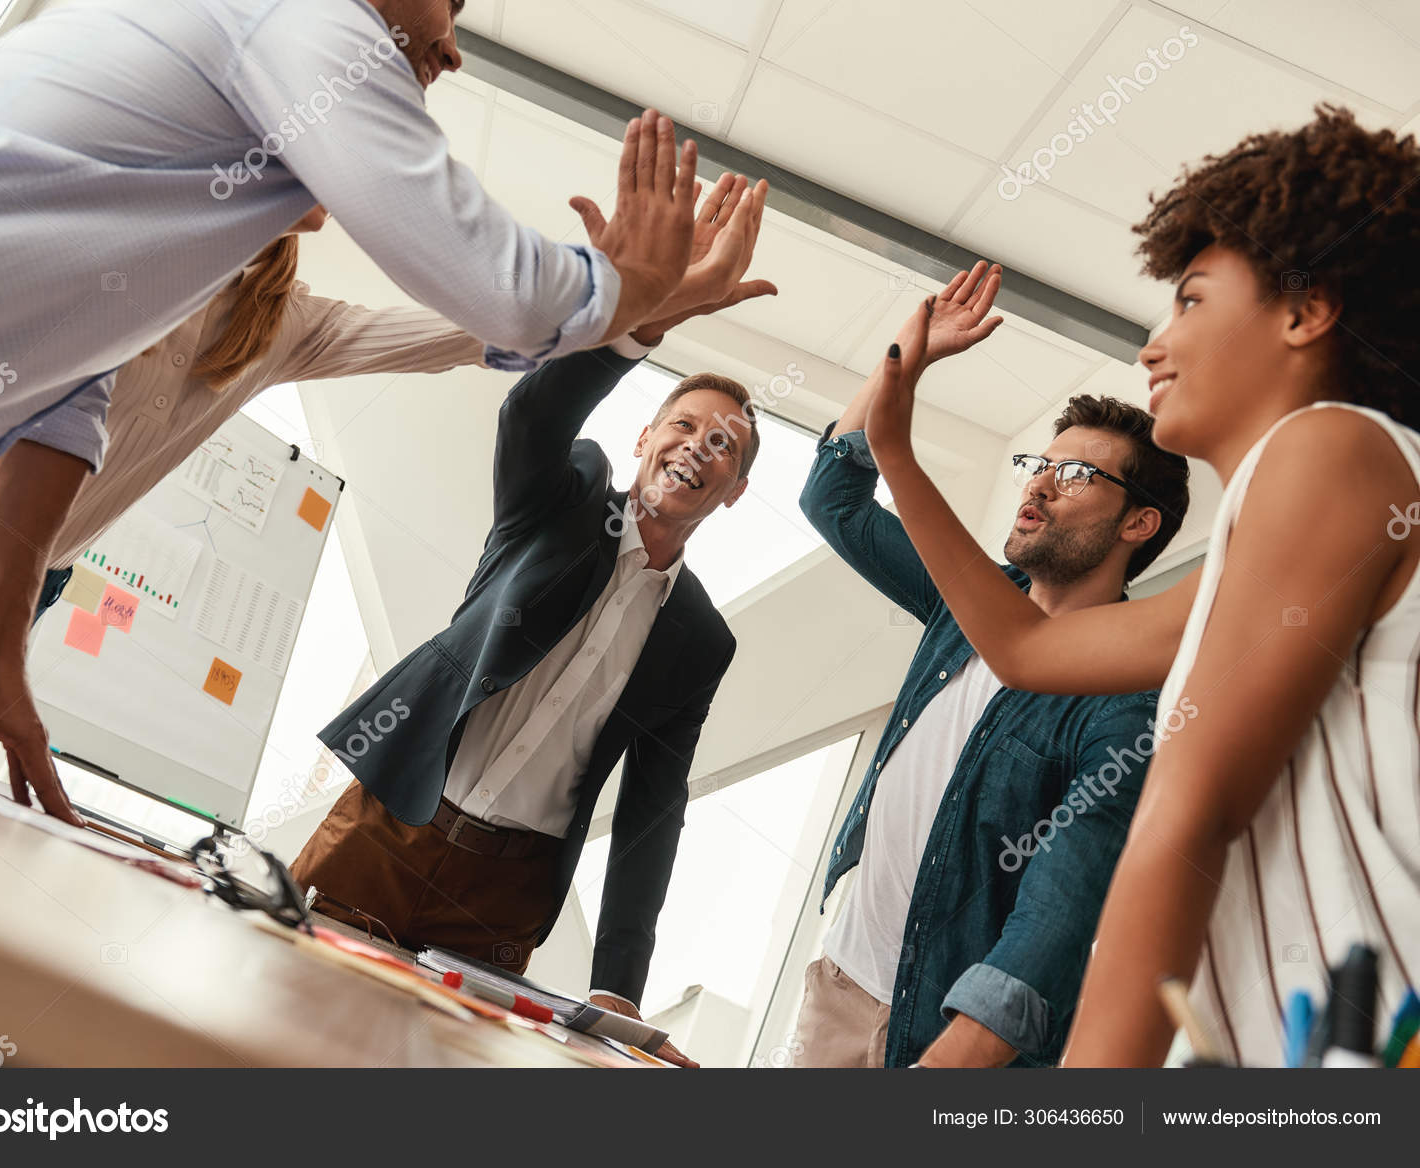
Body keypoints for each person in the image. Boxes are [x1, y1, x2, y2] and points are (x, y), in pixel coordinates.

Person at [0, 0, 760, 817]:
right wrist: (626, 283)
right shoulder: (306, 22)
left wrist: (2, 649)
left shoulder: (165, 241)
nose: (455, 50)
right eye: (451, 6)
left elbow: (59, 416)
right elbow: (502, 291)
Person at [857, 107, 1420, 1067]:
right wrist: (892, 449)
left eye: (1192, 301)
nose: (1154, 347)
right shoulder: (1290, 529)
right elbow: (1026, 650)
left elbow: (1186, 820)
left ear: (1303, 308)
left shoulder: (1329, 450)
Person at [290, 185, 774, 1067]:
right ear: (643, 441)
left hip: (505, 894)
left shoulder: (703, 640)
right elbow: (533, 412)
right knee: (272, 1024)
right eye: (686, 425)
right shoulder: (565, 498)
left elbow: (653, 807)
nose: (700, 447)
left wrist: (620, 979)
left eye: (726, 446)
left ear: (734, 491)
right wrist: (650, 314)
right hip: (389, 830)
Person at [0, 203, 483, 759]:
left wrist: (579, 304)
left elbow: (446, 337)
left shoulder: (282, 323)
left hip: (19, 589)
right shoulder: (119, 245)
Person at [790, 263, 1191, 1067]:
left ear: (1138, 523)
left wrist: (964, 1053)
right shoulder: (965, 599)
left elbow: (1059, 909)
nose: (1039, 484)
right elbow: (831, 496)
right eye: (1037, 464)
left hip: (949, 1037)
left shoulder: (1125, 696)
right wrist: (907, 358)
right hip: (841, 986)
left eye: (1076, 474)